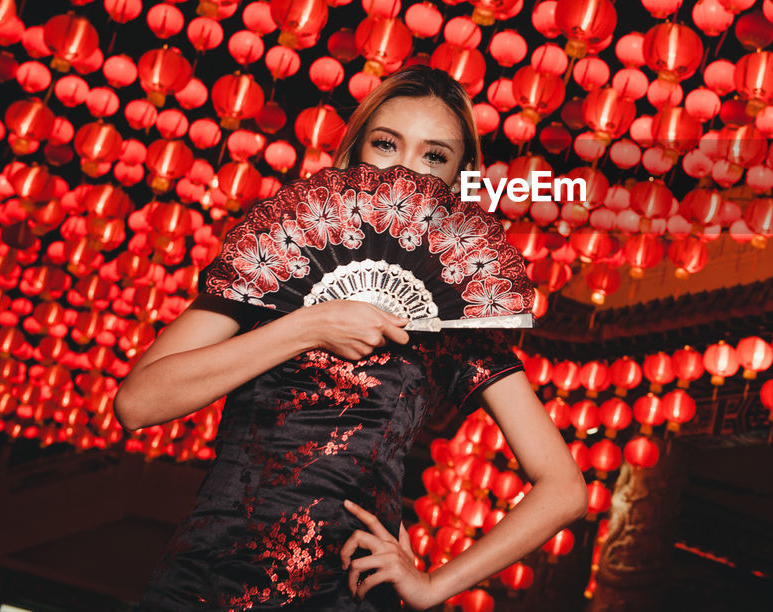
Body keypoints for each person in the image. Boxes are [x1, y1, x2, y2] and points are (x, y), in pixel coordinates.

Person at [115, 65, 588, 610]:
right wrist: (309, 325)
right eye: (387, 145)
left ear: (458, 182)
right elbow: (136, 403)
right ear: (352, 157)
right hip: (206, 573)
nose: (406, 170)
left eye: (434, 156)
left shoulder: (457, 321)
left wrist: (433, 585)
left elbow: (564, 489)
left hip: (345, 589)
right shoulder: (273, 268)